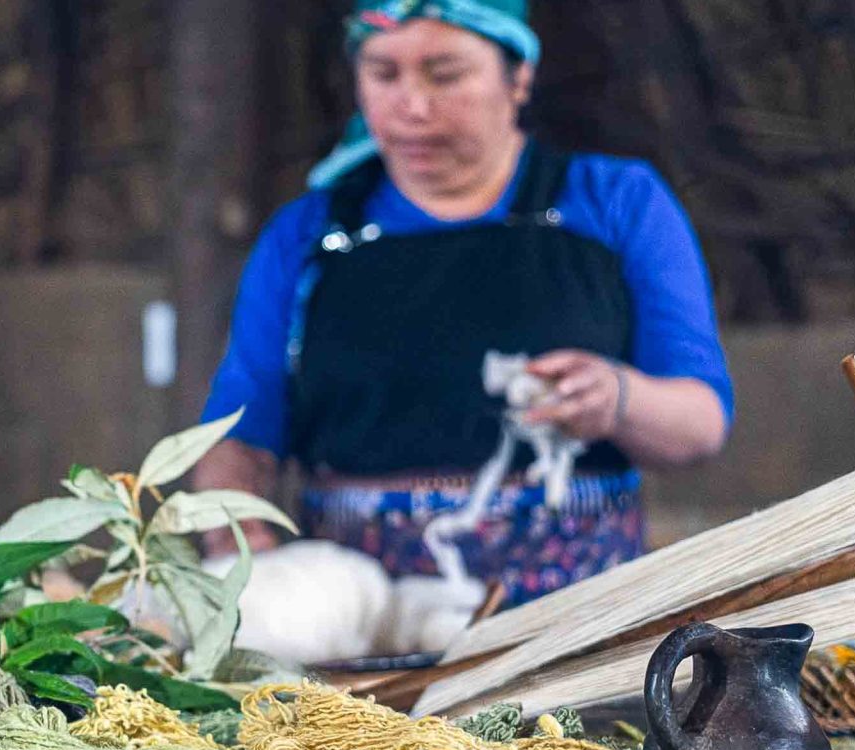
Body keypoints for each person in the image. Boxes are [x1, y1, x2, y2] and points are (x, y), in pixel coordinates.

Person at [194, 0, 733, 625]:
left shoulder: (615, 203)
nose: (412, 106)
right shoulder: (310, 235)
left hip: (576, 621)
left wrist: (616, 398)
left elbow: (701, 423)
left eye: (444, 75)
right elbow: (240, 437)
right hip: (361, 631)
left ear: (519, 75)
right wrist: (239, 548)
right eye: (383, 73)